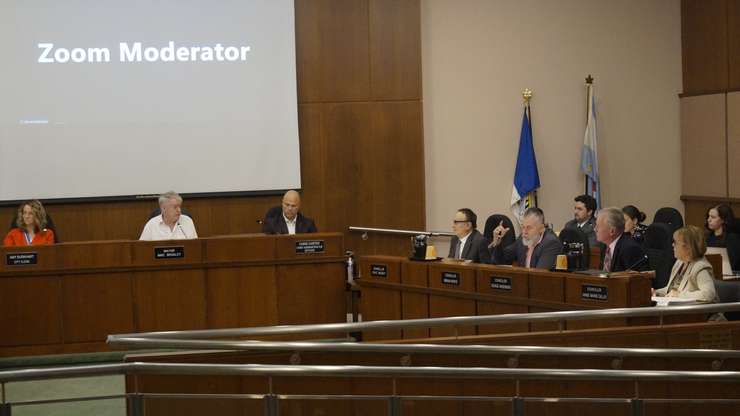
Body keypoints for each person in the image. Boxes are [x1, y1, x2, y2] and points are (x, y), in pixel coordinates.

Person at [654, 225, 721, 305]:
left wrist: (679, 295)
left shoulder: (700, 267)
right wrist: (655, 292)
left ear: (688, 247)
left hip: (702, 315)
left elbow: (708, 294)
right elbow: (671, 290)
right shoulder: (679, 263)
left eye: (675, 242)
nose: (672, 245)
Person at [489, 207, 562, 269]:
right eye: (523, 227)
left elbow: (540, 275)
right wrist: (498, 244)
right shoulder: (522, 239)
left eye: (529, 228)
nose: (524, 232)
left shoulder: (551, 243)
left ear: (541, 228)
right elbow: (501, 261)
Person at [595, 207, 647, 272]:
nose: (595, 229)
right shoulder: (605, 245)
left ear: (612, 231)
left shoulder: (629, 248)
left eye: (598, 226)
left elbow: (637, 278)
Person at [705, 204, 740, 271]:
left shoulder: (733, 239)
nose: (708, 220)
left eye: (713, 217)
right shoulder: (708, 237)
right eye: (708, 216)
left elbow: (731, 264)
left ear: (723, 220)